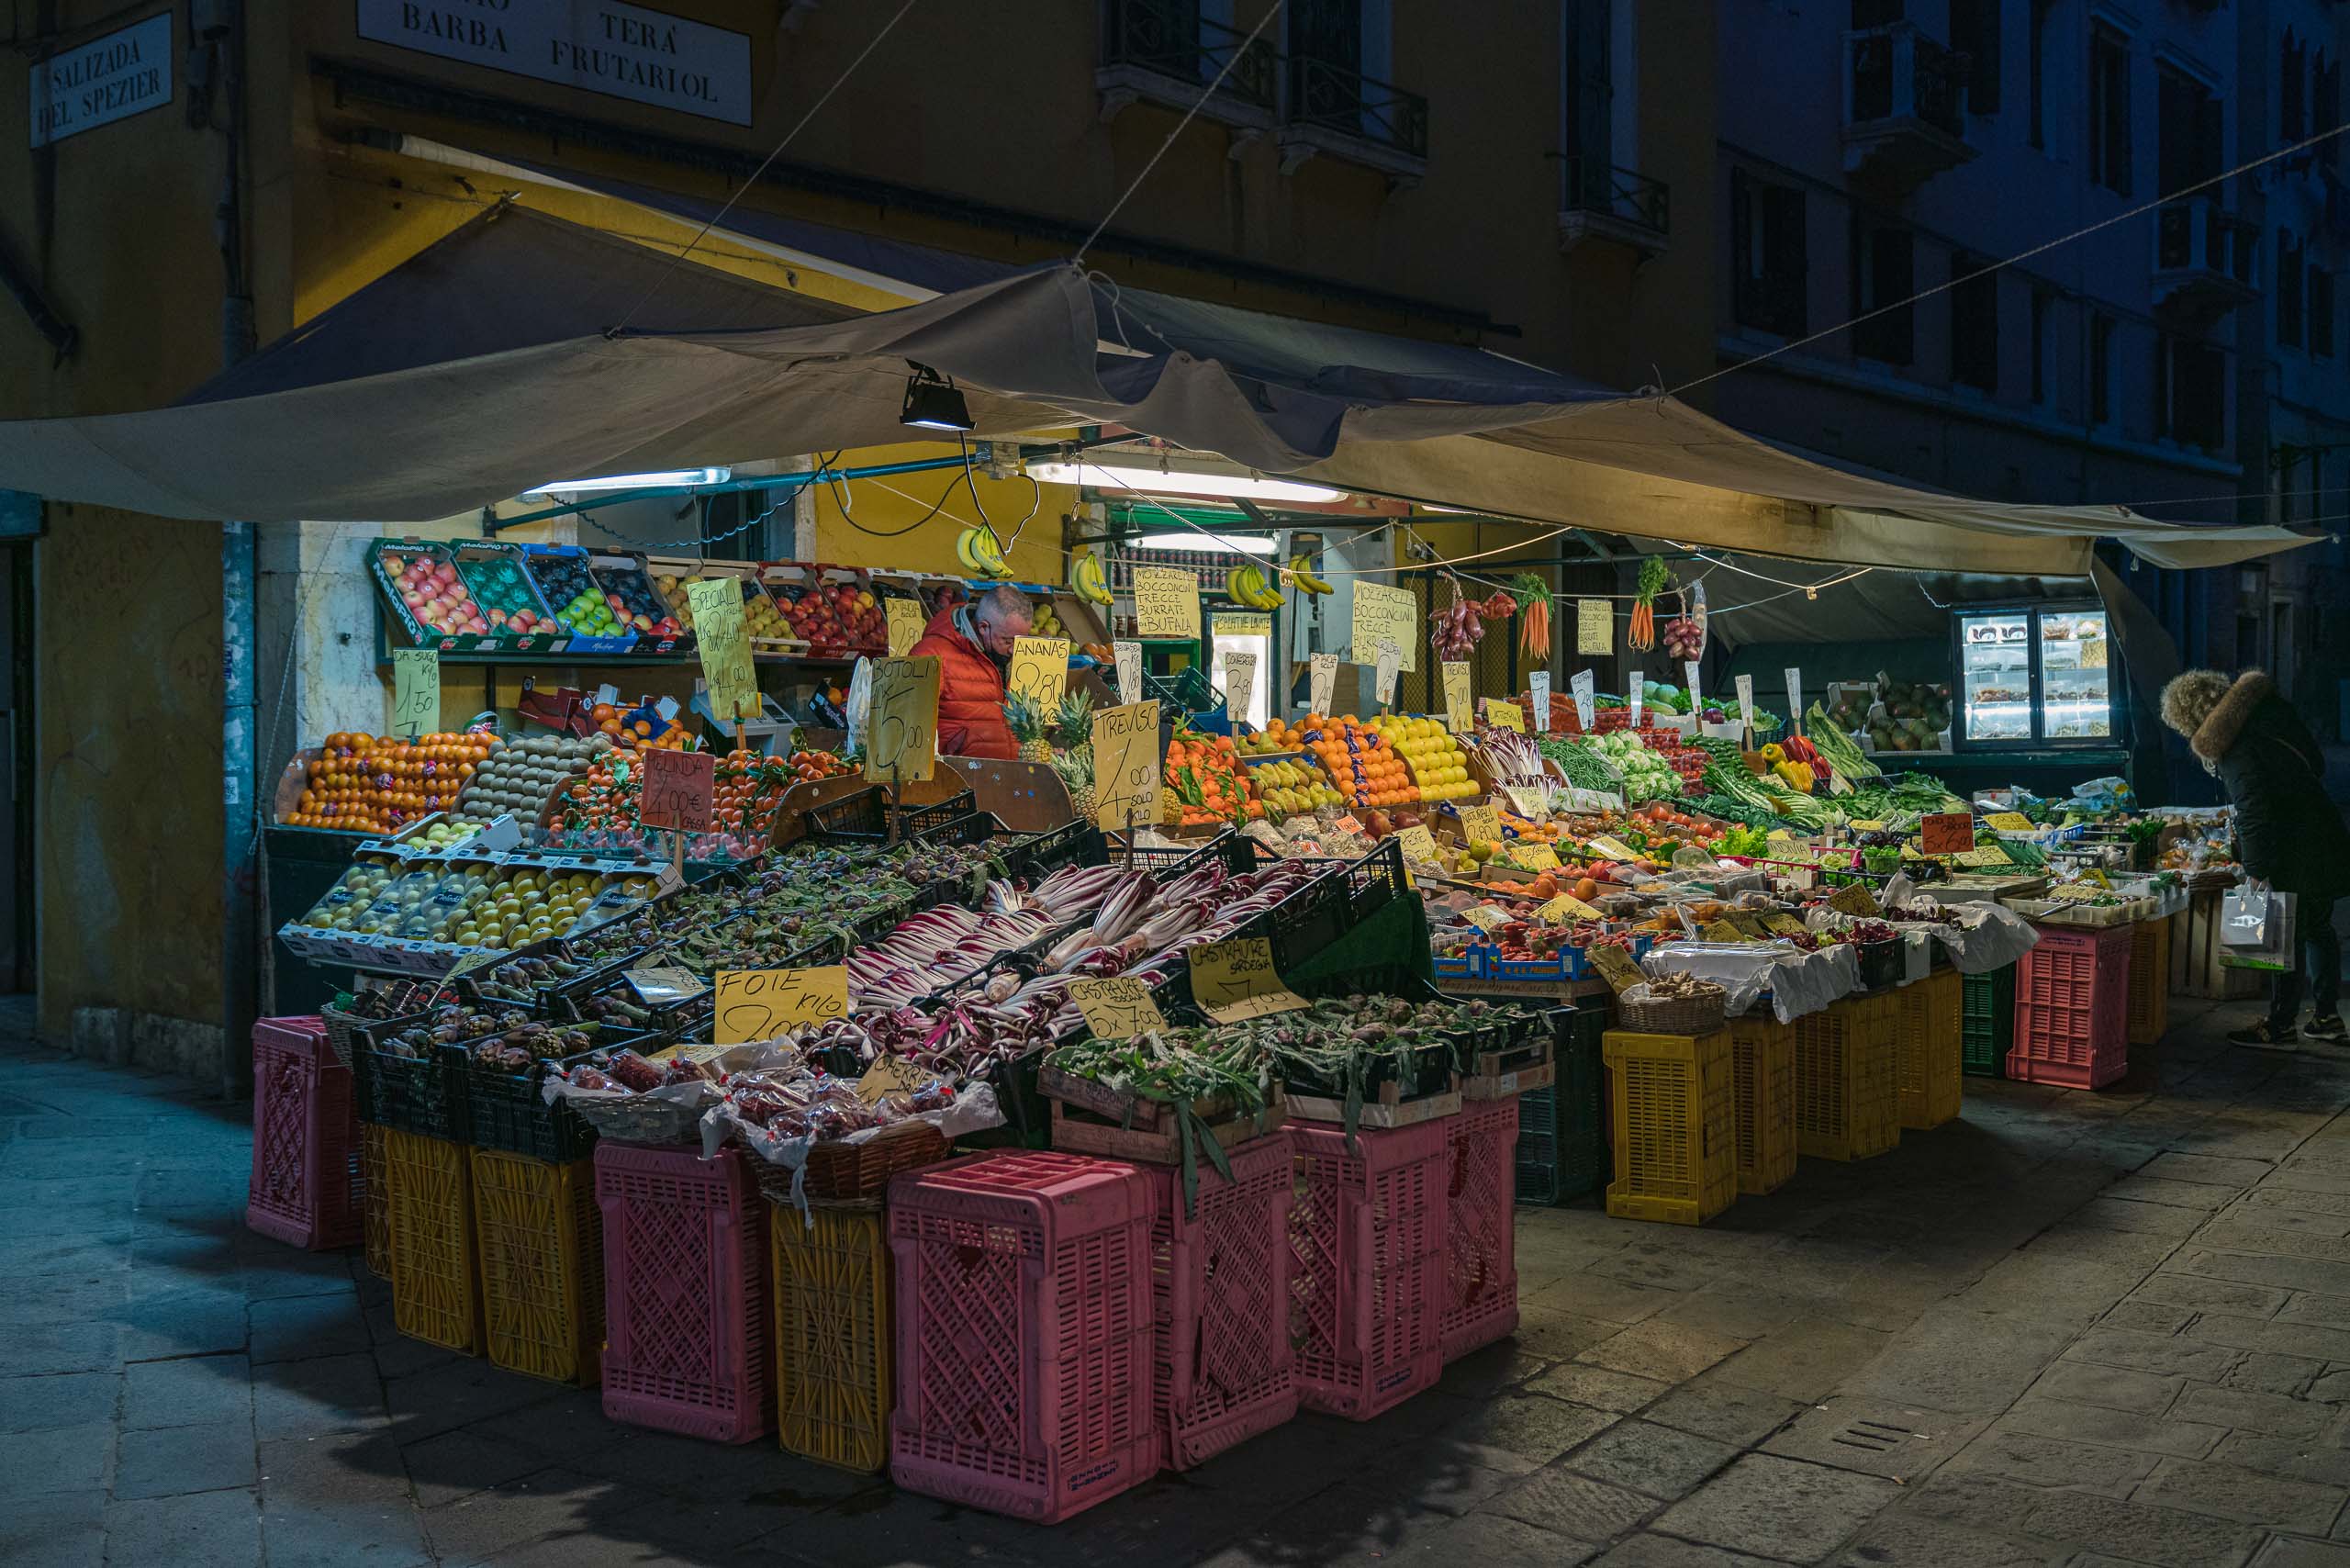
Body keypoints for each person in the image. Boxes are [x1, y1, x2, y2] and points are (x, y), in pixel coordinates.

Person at [2160, 668, 2350, 1046]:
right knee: (2317, 928)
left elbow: (2254, 810)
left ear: (2188, 718)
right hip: (2322, 836)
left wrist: (2257, 870)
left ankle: (2279, 1025)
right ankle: (2327, 1017)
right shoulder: (2269, 719)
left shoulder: (2235, 747)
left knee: (2284, 935)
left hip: (2292, 849)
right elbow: (2315, 763)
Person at [910, 583, 1032, 760]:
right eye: (1008, 641)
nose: (1014, 649)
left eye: (1021, 640)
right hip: (959, 780)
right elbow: (909, 729)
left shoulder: (1020, 656)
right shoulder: (930, 655)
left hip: (1013, 777)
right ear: (983, 627)